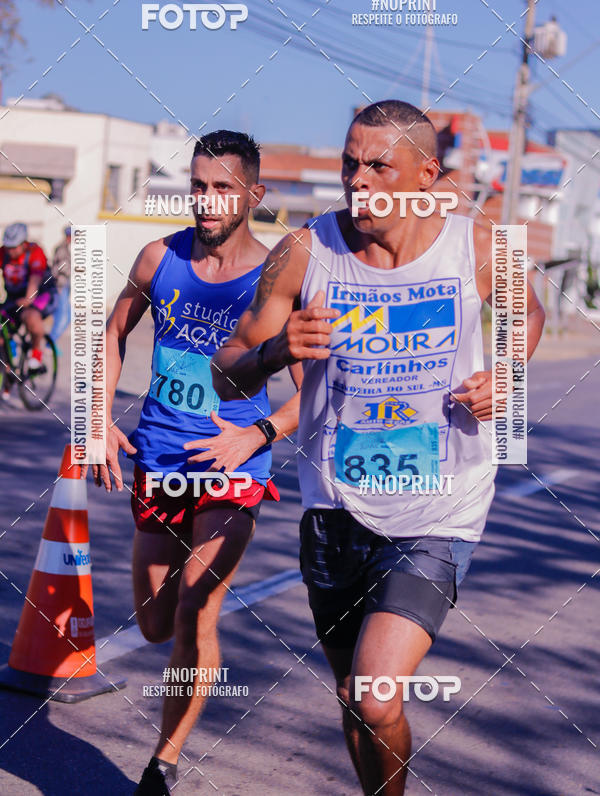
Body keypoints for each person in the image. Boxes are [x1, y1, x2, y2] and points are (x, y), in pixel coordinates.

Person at [212, 100, 545, 794]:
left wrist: (507, 377)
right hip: (334, 507)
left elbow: (528, 311)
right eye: (349, 163)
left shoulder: (475, 242)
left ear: (426, 174)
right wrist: (277, 350)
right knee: (353, 703)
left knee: (374, 694)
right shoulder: (307, 251)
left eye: (378, 165)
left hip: (438, 508)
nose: (358, 180)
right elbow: (226, 364)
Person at [92, 130, 300, 795]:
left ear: (254, 196)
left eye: (222, 189)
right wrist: (95, 418)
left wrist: (261, 434)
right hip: (160, 456)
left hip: (234, 464)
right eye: (198, 187)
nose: (206, 203)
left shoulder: (276, 277)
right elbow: (113, 330)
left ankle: (164, 760)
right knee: (154, 623)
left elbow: (320, 393)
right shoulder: (158, 258)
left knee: (193, 609)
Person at [0, 222, 55, 371]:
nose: (10, 251)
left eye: (14, 247)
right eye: (8, 247)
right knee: (3, 328)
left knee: (30, 316)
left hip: (39, 294)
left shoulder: (35, 252)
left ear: (24, 243)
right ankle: (8, 370)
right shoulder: (3, 253)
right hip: (14, 296)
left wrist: (28, 299)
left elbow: (34, 280)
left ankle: (36, 357)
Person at [50, 226, 72, 344]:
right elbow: (62, 268)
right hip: (60, 286)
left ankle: (52, 342)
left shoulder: (65, 248)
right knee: (62, 317)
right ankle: (50, 343)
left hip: (64, 285)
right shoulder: (62, 248)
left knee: (67, 316)